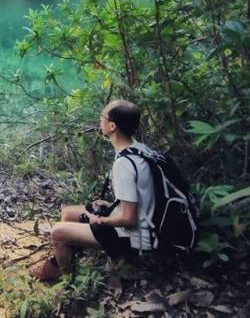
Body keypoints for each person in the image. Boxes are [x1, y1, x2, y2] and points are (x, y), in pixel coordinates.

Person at [30, 99, 158, 282]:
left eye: (102, 116)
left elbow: (128, 220)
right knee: (68, 212)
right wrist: (111, 206)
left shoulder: (124, 165)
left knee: (56, 231)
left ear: (112, 126)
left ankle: (66, 280)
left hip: (136, 239)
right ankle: (63, 259)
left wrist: (100, 220)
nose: (100, 120)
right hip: (145, 222)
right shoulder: (139, 149)